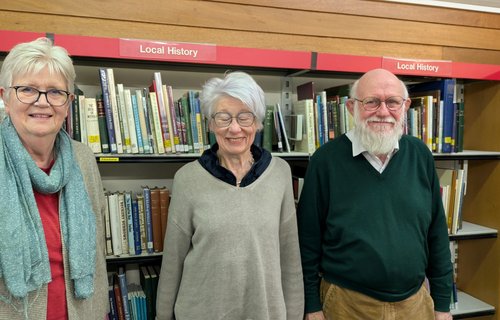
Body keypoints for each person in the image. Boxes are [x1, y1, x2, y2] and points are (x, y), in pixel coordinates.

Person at [297, 68, 453, 320]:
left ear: (406, 106)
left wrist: (443, 304)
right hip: (346, 305)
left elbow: (436, 232)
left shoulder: (420, 155)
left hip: (415, 303)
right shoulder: (325, 161)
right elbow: (308, 240)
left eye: (392, 102)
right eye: (371, 101)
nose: (383, 111)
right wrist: (312, 306)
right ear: (351, 107)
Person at [156, 71, 304, 319]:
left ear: (257, 123)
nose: (234, 128)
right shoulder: (187, 179)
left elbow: (290, 257)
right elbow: (173, 261)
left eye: (245, 117)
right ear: (211, 124)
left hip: (265, 312)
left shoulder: (280, 174)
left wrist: (295, 313)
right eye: (223, 118)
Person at [0, 38, 108, 319]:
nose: (42, 102)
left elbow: (96, 250)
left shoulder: (83, 159)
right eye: (27, 89)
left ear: (69, 102)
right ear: (5, 97)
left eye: (55, 92)